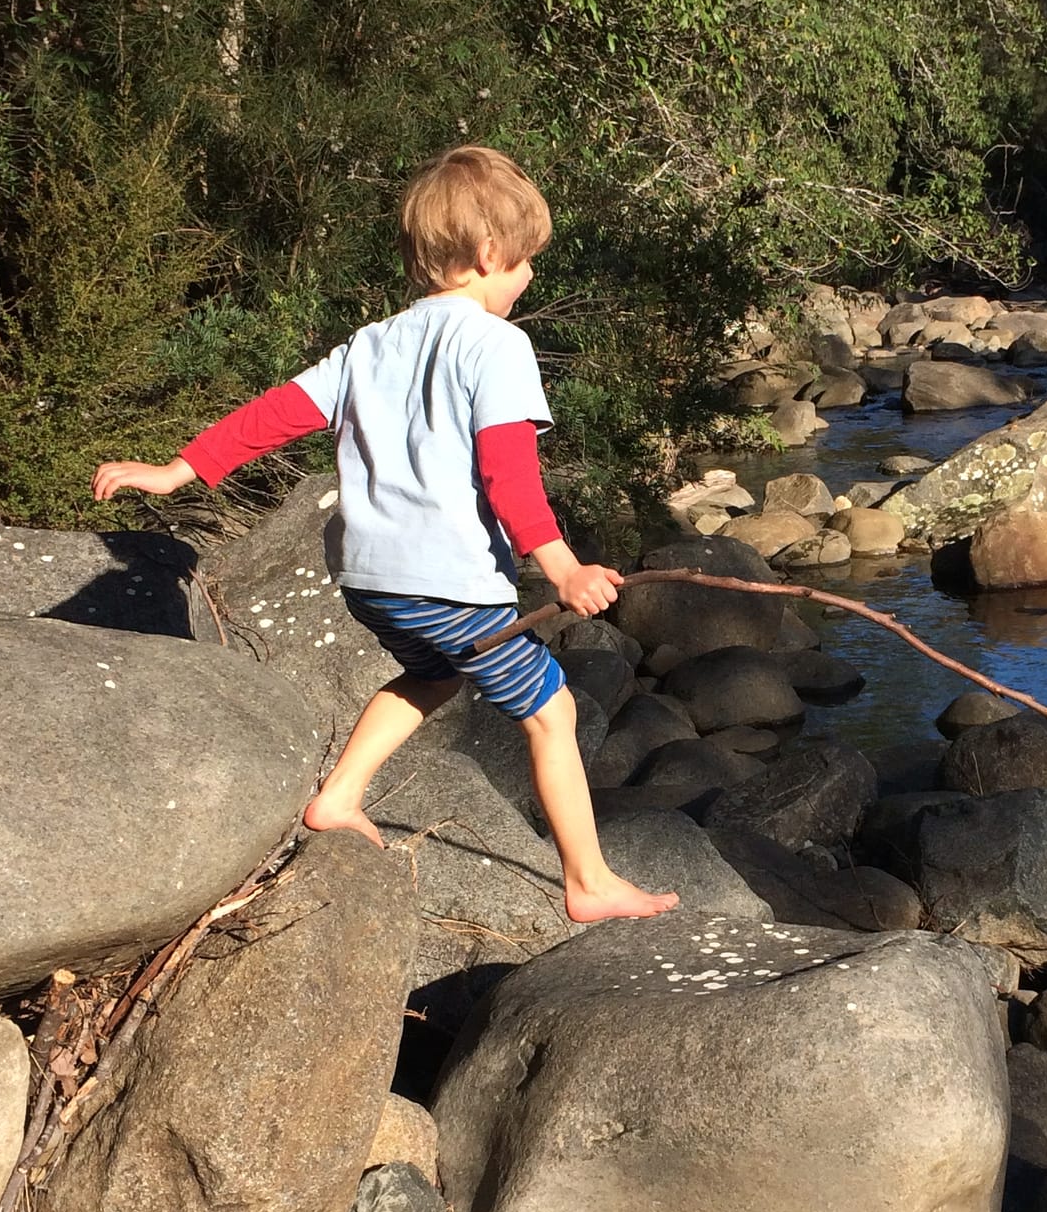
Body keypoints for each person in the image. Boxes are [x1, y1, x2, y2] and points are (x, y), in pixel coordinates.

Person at [91, 144, 679, 925]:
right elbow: (510, 475)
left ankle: (338, 795)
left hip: (373, 582)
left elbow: (276, 414)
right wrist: (563, 566)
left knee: (432, 678)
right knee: (554, 712)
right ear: (488, 254)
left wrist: (180, 469)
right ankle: (589, 880)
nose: (530, 277)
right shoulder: (497, 346)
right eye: (527, 261)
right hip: (452, 583)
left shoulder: (371, 343)